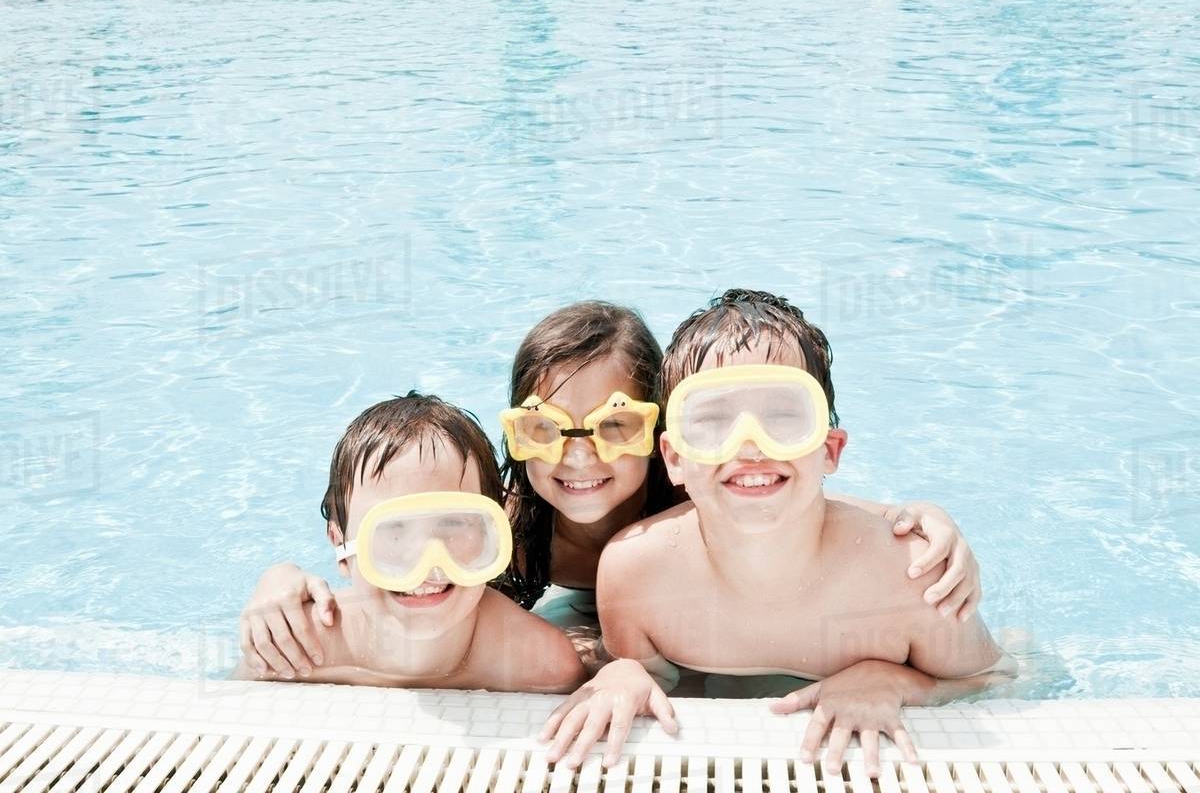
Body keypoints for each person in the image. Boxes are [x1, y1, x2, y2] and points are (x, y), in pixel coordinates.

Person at [239, 300, 983, 679]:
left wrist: (925, 520)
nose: (579, 456)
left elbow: (793, 500)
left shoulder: (689, 503)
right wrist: (278, 577)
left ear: (662, 443)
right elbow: (395, 541)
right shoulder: (506, 536)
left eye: (615, 428)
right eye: (545, 431)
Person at [541, 290, 1016, 773]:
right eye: (712, 420)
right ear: (675, 457)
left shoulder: (909, 571)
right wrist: (624, 672)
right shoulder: (635, 570)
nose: (750, 447)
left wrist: (896, 682)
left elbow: (997, 679)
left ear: (830, 448)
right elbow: (657, 683)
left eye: (784, 416)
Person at [233, 393, 585, 693]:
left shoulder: (539, 662)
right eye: (393, 530)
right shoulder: (300, 646)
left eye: (454, 523)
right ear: (340, 547)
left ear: (494, 535)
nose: (427, 562)